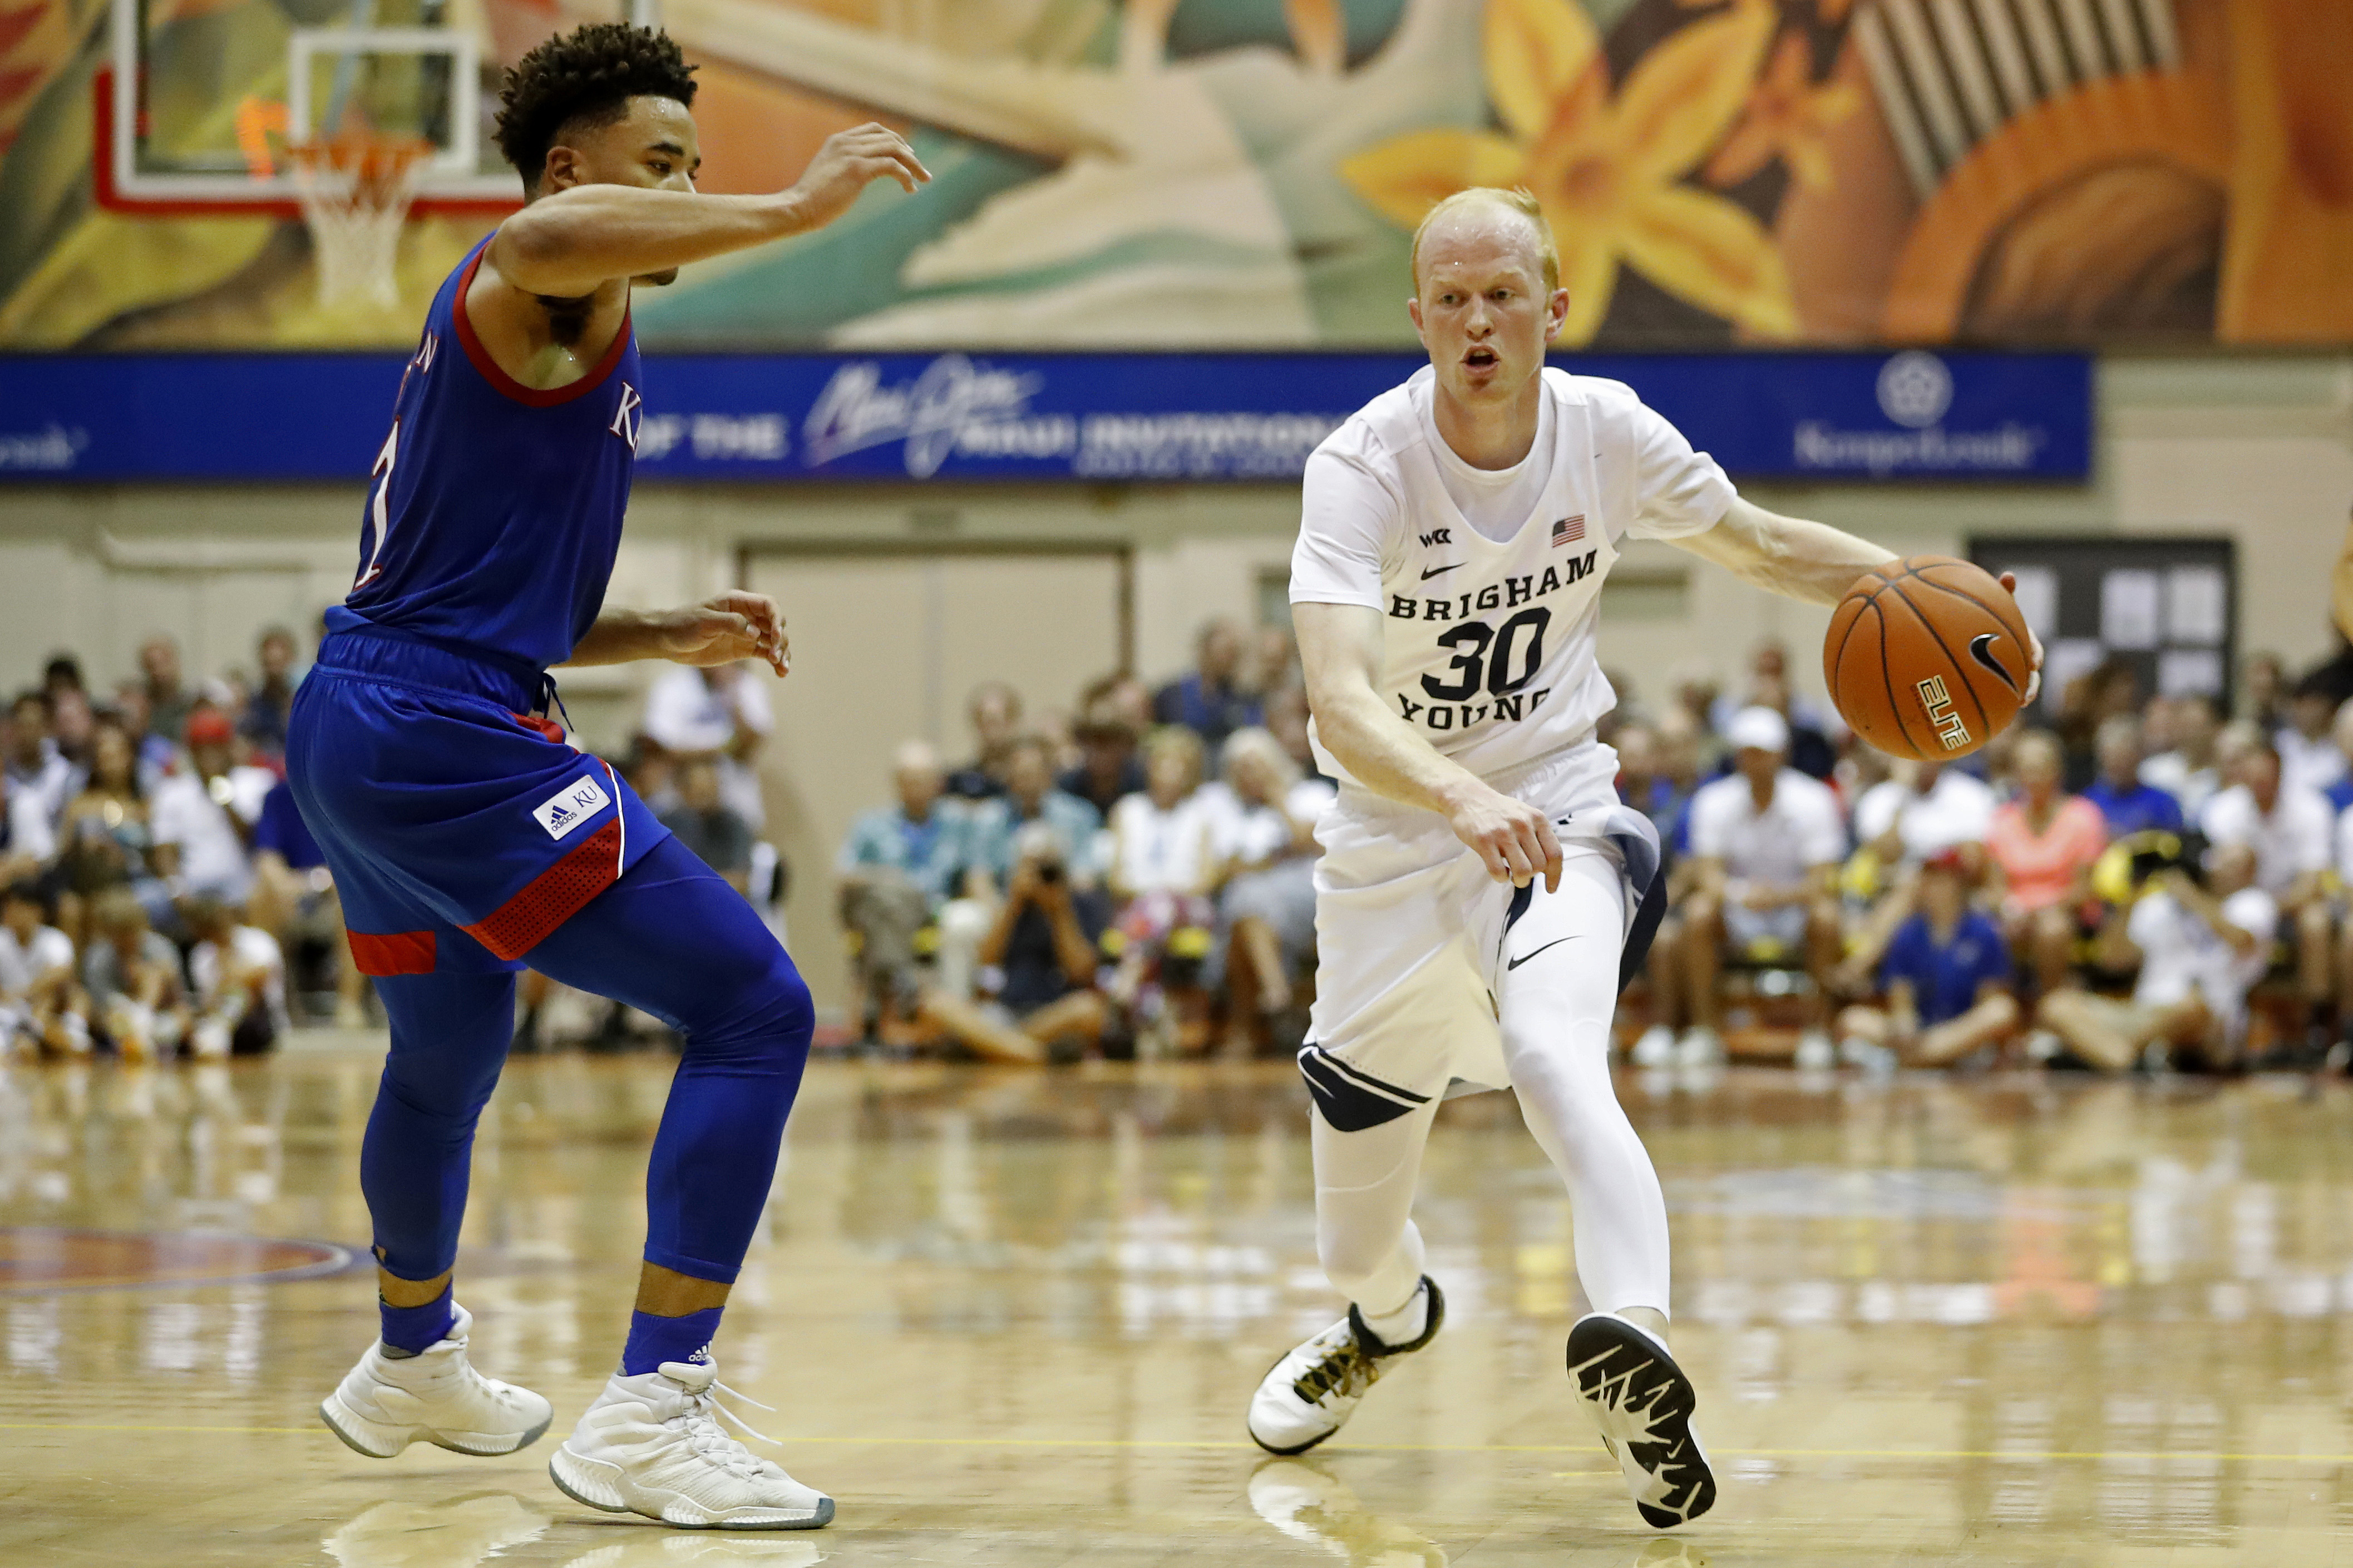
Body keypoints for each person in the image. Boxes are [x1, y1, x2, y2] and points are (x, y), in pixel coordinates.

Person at [1245, 185, 2038, 1531]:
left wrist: (1908, 585)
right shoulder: (1361, 464)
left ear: (1555, 304)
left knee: (1560, 1050)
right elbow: (1337, 700)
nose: (1479, 319)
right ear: (1421, 317)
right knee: (1353, 1239)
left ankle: (1636, 1342)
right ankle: (1388, 1316)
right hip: (1393, 840)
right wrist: (1449, 792)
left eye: (1504, 293)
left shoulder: (1606, 433)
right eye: (1452, 297)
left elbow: (1764, 543)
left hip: (1559, 809)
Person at [287, 21, 928, 1529]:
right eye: (665, 166)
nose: (688, 192)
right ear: (577, 167)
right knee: (756, 1004)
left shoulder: (581, 322)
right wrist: (786, 205)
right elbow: (541, 225)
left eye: (697, 170)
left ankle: (412, 1357)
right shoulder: (534, 265)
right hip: (437, 730)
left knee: (445, 1052)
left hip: (370, 710)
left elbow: (484, 592)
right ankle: (655, 1404)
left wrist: (656, 626)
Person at [1659, 706, 1846, 1071]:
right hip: (1738, 907)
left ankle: (1818, 1032)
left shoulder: (1814, 799)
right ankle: (1704, 1031)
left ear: (1781, 754)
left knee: (1827, 916)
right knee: (1697, 913)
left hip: (1794, 908)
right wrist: (1742, 894)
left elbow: (1822, 879)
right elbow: (1707, 875)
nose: (1754, 761)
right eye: (1747, 752)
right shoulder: (1713, 800)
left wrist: (1776, 896)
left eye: (1762, 752)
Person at [2040, 843, 2275, 1071]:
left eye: (2232, 864)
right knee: (2056, 1005)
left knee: (2192, 1006)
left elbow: (2241, 942)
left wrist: (2192, 898)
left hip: (2207, 1020)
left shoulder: (2252, 903)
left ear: (2250, 872)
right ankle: (2130, 1063)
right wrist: (2130, 898)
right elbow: (2112, 960)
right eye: (2218, 860)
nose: (2219, 868)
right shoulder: (2158, 904)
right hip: (2146, 1014)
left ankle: (2099, 1054)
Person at [910, 821, 1109, 1064]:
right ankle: (1033, 1056)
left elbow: (1081, 971)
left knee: (1089, 1010)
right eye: (1032, 866)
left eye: (1047, 865)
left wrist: (1060, 911)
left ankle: (997, 1049)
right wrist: (1013, 903)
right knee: (936, 1005)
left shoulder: (1082, 904)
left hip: (1053, 1015)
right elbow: (986, 960)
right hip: (1003, 1013)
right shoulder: (1012, 906)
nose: (1040, 874)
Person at [1834, 849, 2017, 1069]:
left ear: (1959, 885)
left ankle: (1912, 1060)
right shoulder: (1907, 934)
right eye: (1930, 879)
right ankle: (1934, 1057)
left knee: (2001, 1011)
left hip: (1963, 1030)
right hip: (1920, 1030)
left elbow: (1989, 999)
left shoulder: (1983, 932)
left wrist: (1952, 1035)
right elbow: (1901, 1001)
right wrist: (1905, 1026)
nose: (1935, 888)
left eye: (1943, 880)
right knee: (1853, 1020)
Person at [2199, 742, 2333, 1043]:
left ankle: (2318, 1024)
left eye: (2266, 779)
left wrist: (2268, 906)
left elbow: (2313, 885)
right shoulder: (2222, 809)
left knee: (2317, 921)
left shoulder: (2311, 808)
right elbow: (2214, 878)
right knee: (2231, 916)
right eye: (2253, 779)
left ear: (2281, 775)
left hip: (2290, 906)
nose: (2260, 786)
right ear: (2241, 777)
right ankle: (2227, 1019)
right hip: (2239, 904)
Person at [1984, 730, 2107, 1000]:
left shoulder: (2083, 816)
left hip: (2066, 913)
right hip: (2015, 913)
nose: (2034, 778)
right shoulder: (2002, 820)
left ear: (2058, 771)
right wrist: (2011, 910)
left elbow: (2084, 888)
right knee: (1985, 932)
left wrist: (2037, 912)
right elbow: (1994, 889)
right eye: (2026, 770)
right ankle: (2002, 1014)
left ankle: (2052, 1008)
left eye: (2041, 769)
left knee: (2052, 929)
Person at [149, 705, 275, 912]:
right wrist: (178, 893)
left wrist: (220, 792)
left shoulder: (256, 782)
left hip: (244, 888)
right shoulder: (173, 791)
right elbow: (165, 851)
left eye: (215, 747)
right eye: (200, 749)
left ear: (229, 747)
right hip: (192, 890)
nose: (208, 756)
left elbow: (256, 842)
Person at [639, 661, 771, 829]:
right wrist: (727, 748)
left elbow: (749, 747)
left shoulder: (748, 687)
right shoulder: (671, 686)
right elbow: (665, 749)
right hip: (679, 807)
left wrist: (732, 693)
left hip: (735, 805)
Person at [80, 887, 186, 1062]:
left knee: (156, 978)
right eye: (119, 934)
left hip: (159, 1015)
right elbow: (104, 1005)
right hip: (119, 1019)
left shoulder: (160, 947)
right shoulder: (97, 957)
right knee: (114, 1018)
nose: (126, 939)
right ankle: (142, 1039)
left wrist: (146, 978)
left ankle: (145, 1026)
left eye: (131, 931)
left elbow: (177, 996)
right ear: (108, 933)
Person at [183, 895, 288, 1057]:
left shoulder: (259, 941)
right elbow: (210, 1000)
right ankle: (214, 1036)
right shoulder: (201, 955)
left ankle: (217, 1036)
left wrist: (228, 972)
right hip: (218, 1014)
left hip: (259, 1021)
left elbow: (259, 979)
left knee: (242, 995)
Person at [0, 881, 84, 1056]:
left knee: (72, 994)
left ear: (36, 911)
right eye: (7, 906)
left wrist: (23, 994)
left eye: (17, 906)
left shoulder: (54, 939)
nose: (8, 912)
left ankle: (70, 1031)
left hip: (43, 1009)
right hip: (7, 1011)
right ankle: (31, 1037)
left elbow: (62, 972)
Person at [1153, 620, 1263, 753]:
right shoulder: (1171, 696)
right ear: (1203, 651)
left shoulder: (1245, 700)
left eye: (1233, 654)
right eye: (1222, 652)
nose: (1227, 659)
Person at [656, 758, 754, 896]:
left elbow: (741, 880)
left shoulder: (733, 825)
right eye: (700, 793)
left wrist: (693, 885)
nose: (707, 799)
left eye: (711, 790)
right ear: (683, 792)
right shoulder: (666, 822)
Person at [2080, 715, 2183, 838]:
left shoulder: (2163, 803)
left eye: (2124, 758)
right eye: (2111, 758)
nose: (2117, 765)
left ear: (2139, 756)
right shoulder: (2087, 803)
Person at [2140, 692, 2226, 820]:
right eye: (2186, 725)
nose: (2191, 733)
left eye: (2198, 726)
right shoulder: (2153, 770)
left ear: (2216, 728)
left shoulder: (2223, 777)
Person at [945, 680, 1022, 799]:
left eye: (995, 722)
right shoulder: (961, 779)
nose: (990, 731)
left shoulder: (1029, 780)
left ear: (1012, 722)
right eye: (984, 723)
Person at [241, 626, 302, 757]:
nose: (274, 672)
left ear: (290, 660)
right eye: (270, 664)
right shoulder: (252, 705)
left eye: (279, 663)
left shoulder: (301, 703)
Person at [136, 635, 193, 747]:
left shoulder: (191, 704)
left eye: (164, 663)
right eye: (152, 665)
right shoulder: (141, 708)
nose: (159, 671)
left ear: (176, 662)